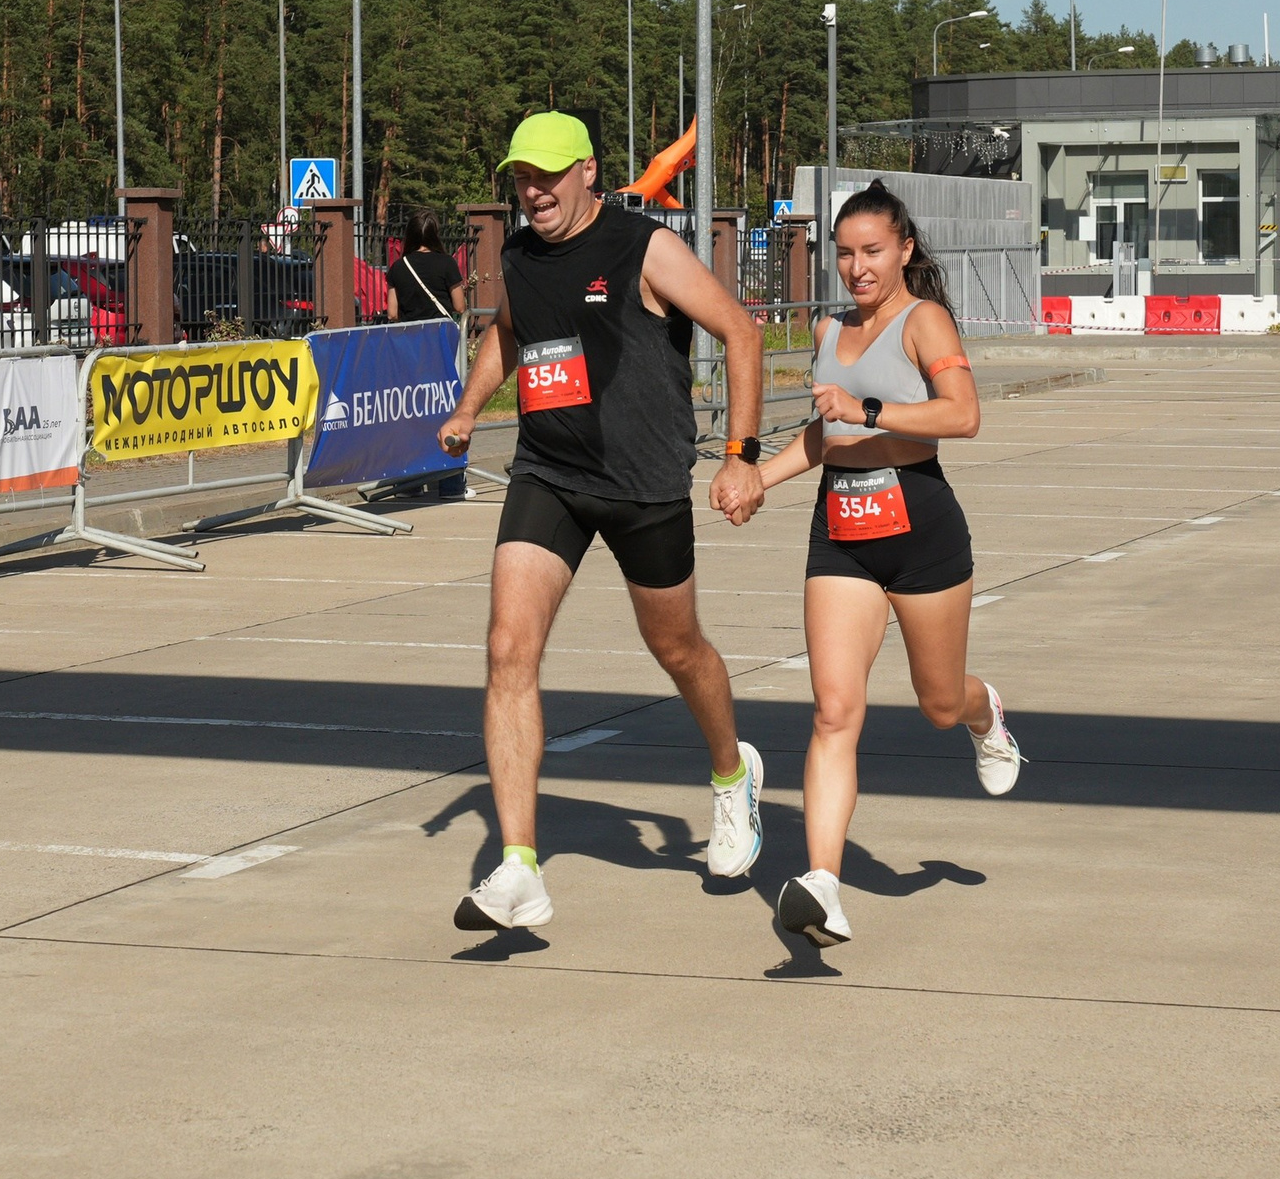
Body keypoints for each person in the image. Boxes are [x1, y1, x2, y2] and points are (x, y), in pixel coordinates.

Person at [433, 111, 768, 931]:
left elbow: (741, 331)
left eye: (547, 175)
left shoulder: (643, 247)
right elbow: (508, 333)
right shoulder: (520, 255)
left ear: (588, 171)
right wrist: (470, 407)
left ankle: (733, 774)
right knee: (508, 648)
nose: (533, 192)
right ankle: (520, 866)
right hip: (550, 472)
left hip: (644, 481)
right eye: (522, 178)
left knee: (677, 648)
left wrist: (741, 454)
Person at [750, 180, 1021, 947]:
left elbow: (962, 414)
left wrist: (865, 408)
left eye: (872, 251)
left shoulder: (923, 320)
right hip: (840, 531)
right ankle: (823, 885)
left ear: (904, 249)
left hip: (921, 528)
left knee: (938, 701)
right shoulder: (830, 328)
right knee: (834, 711)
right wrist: (758, 479)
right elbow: (824, 434)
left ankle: (984, 713)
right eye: (844, 253)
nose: (857, 267)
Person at [385, 211, 466, 324]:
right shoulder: (447, 263)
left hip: (410, 331)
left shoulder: (398, 267)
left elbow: (392, 314)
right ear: (435, 235)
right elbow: (460, 307)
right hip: (439, 330)